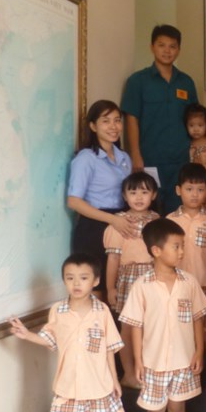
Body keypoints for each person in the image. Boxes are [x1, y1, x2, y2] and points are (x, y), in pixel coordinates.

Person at [0, 255, 124, 412]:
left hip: (98, 382)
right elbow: (49, 340)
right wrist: (26, 334)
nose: (76, 283)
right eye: (70, 278)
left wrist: (115, 380)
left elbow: (109, 347)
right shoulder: (58, 310)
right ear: (64, 281)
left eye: (83, 278)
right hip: (68, 384)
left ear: (95, 281)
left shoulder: (102, 311)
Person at [120, 218, 206, 412]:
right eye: (176, 246)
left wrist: (199, 351)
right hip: (153, 361)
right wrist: (138, 361)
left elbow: (198, 319)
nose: (181, 252)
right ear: (156, 250)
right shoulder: (142, 285)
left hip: (183, 360)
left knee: (177, 408)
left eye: (182, 246)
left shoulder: (189, 282)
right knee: (155, 409)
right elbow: (135, 326)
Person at [121, 24, 198, 211]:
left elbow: (195, 119)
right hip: (149, 159)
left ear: (179, 50)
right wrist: (135, 155)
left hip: (180, 160)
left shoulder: (186, 82)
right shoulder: (138, 81)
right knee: (150, 211)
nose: (167, 51)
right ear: (152, 47)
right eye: (161, 45)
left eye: (172, 46)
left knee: (178, 212)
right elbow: (132, 118)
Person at [67, 100, 132, 293]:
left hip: (121, 225)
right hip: (93, 227)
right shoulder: (86, 158)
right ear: (93, 126)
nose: (113, 126)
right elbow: (74, 201)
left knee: (118, 289)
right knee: (96, 289)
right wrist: (112, 219)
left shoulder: (124, 158)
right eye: (106, 121)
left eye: (117, 120)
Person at [103, 171, 160, 386]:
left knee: (152, 326)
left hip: (153, 277)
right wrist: (110, 288)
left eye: (144, 192)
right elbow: (113, 259)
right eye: (133, 192)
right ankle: (128, 374)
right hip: (128, 279)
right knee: (127, 328)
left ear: (153, 195)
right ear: (124, 196)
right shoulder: (119, 223)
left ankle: (147, 372)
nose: (138, 197)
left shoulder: (158, 221)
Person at [166, 163, 206, 293]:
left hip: (205, 284)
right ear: (178, 190)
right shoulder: (170, 220)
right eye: (189, 189)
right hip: (177, 284)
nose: (195, 194)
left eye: (200, 190)